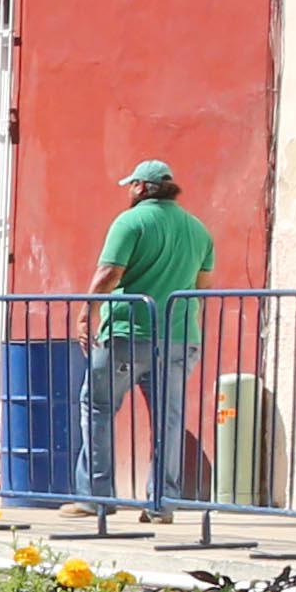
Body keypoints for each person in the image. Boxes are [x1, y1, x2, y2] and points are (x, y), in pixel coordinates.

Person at [87, 157, 213, 505]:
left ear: (141, 187)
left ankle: (95, 497)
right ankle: (162, 501)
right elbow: (202, 285)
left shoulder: (130, 221)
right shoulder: (198, 229)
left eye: (132, 185)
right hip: (179, 337)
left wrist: (87, 313)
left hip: (128, 332)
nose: (130, 191)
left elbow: (108, 273)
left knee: (96, 407)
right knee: (169, 420)